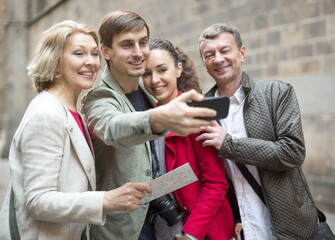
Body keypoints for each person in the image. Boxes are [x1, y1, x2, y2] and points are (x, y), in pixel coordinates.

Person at [0, 20, 152, 240]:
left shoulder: (72, 111)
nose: (90, 62)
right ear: (56, 62)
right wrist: (106, 200)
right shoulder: (46, 114)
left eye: (93, 54)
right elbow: (38, 201)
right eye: (79, 54)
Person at [83, 10, 216, 240]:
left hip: (159, 226)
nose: (138, 53)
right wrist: (161, 118)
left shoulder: (146, 89)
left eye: (143, 43)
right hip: (123, 231)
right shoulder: (99, 98)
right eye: (127, 45)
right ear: (106, 51)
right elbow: (114, 128)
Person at [195, 23, 320, 239]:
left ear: (241, 53)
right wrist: (234, 216)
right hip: (243, 229)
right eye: (209, 55)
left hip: (290, 228)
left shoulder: (277, 93)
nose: (218, 59)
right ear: (205, 64)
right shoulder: (203, 111)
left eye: (225, 50)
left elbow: (293, 152)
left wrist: (229, 145)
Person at [142, 38, 236, 240]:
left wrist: (190, 234)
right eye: (146, 74)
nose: (155, 80)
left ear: (178, 69)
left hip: (201, 232)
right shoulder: (147, 119)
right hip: (164, 231)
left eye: (162, 70)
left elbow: (216, 183)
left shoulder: (198, 115)